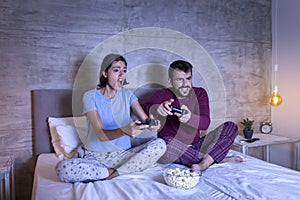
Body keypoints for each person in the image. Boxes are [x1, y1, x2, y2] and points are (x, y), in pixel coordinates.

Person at [56, 54, 166, 182]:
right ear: (105, 73)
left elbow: (146, 120)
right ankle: (112, 172)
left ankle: (114, 173)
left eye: (124, 70)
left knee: (160, 144)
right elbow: (101, 134)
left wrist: (154, 123)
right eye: (116, 70)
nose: (122, 74)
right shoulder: (90, 96)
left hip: (123, 156)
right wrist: (125, 130)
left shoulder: (128, 95)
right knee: (62, 169)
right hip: (96, 157)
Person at [142, 60, 242, 172]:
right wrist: (157, 109)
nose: (185, 84)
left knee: (231, 126)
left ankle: (205, 162)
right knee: (163, 143)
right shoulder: (162, 94)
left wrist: (190, 118)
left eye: (188, 78)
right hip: (173, 147)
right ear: (170, 81)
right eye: (179, 80)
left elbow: (205, 123)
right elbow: (145, 107)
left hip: (197, 145)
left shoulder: (200, 93)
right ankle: (214, 158)